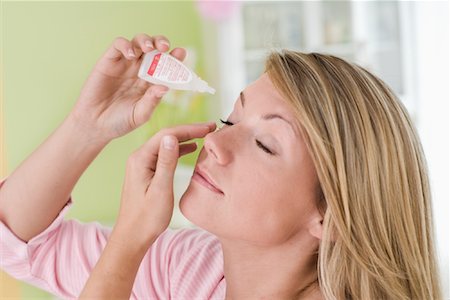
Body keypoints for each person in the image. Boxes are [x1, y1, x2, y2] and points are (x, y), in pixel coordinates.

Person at [0, 33, 442, 300]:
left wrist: (129, 242)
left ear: (330, 215)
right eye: (231, 117)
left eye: (266, 144)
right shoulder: (191, 267)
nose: (215, 141)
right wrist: (87, 127)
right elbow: (19, 242)